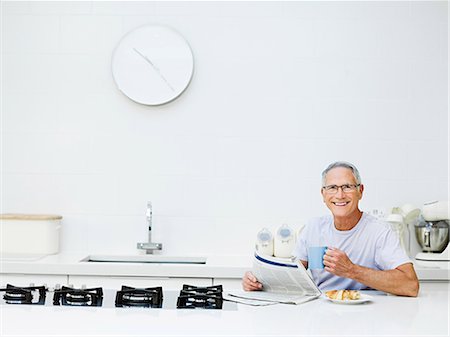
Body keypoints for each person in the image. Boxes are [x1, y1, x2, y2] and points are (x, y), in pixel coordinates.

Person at [242, 161, 419, 297]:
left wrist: (351, 270)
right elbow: (293, 276)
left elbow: (410, 285)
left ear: (361, 191)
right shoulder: (314, 228)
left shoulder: (379, 232)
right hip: (321, 313)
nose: (340, 195)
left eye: (347, 187)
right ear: (323, 194)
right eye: (332, 188)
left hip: (367, 314)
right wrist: (258, 282)